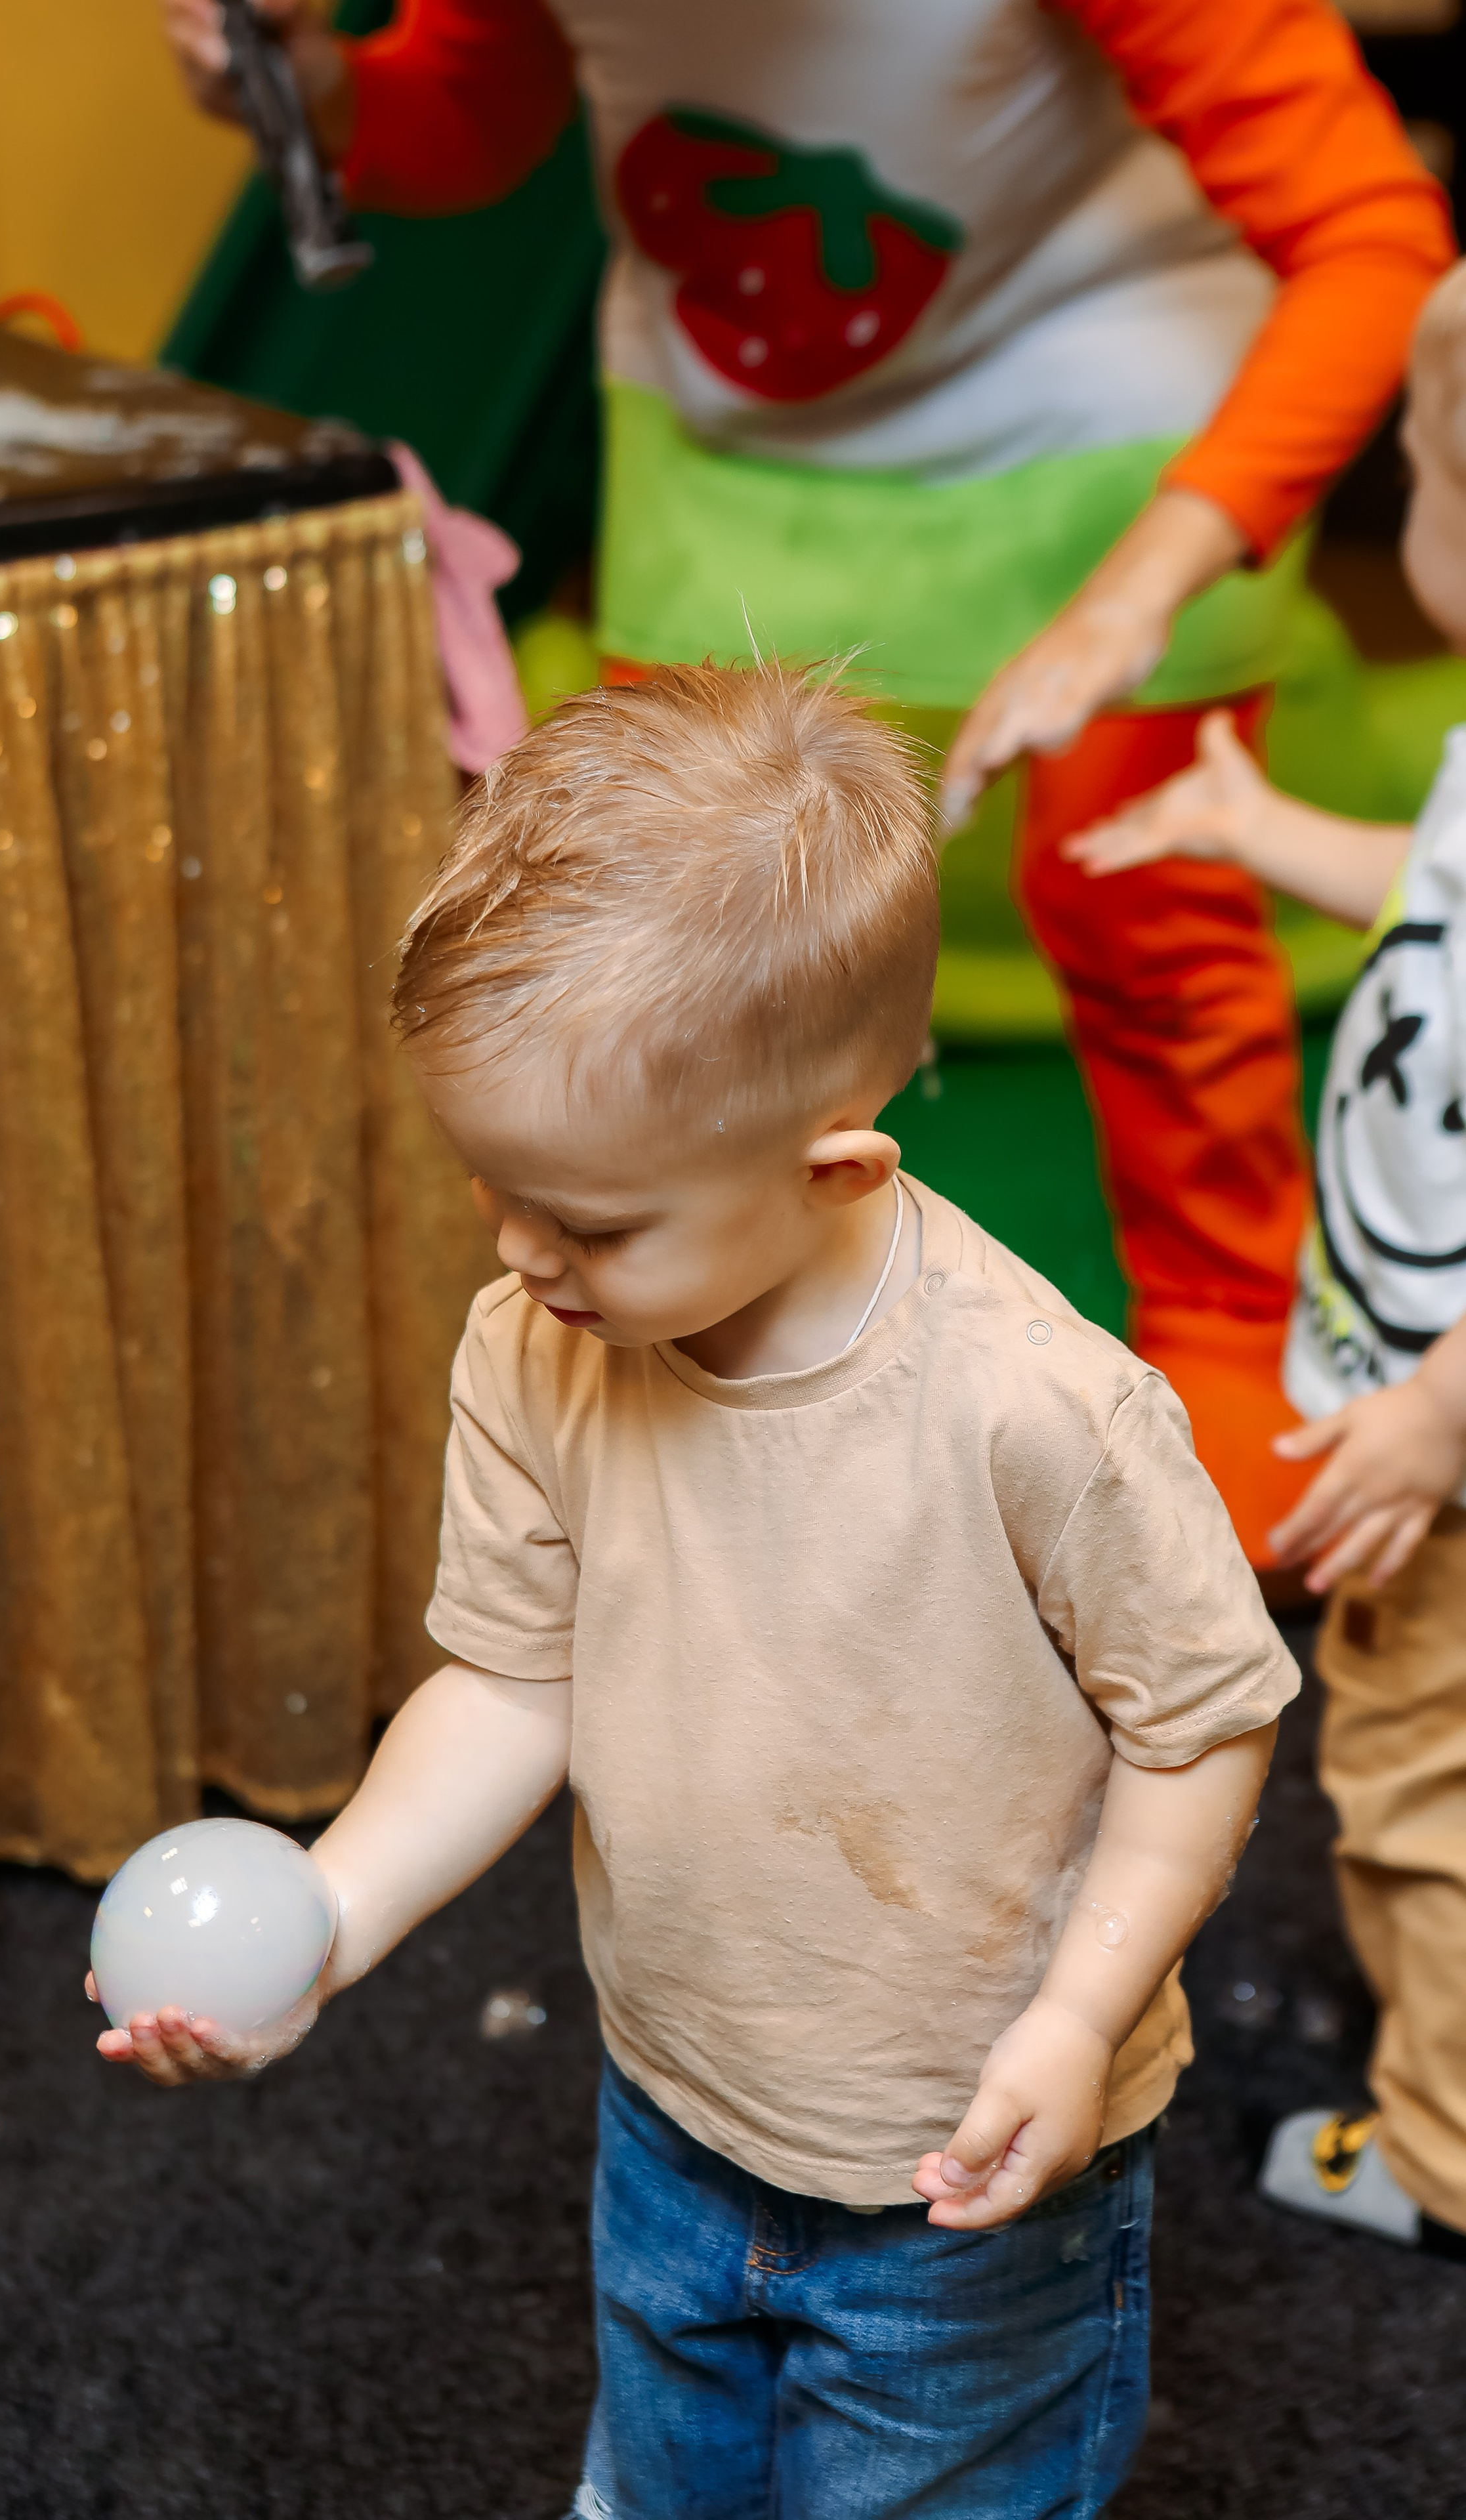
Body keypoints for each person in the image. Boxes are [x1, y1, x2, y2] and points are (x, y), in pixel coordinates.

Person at [94, 662, 1299, 2511]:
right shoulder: (536, 1347)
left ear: (834, 1169)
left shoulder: (1040, 1410)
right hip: (673, 2108)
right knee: (664, 2481)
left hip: (960, 2178)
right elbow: (510, 1683)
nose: (521, 1253)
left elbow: (1202, 1725)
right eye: (496, 1190)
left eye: (588, 1219)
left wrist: (1076, 2019)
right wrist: (328, 1918)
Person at [157, 0, 1454, 1573]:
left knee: (1131, 900)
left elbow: (1370, 234)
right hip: (733, 450)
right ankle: (713, 1352)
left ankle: (1229, 1332)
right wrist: (328, 96)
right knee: (644, 951)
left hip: (1114, 431)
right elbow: (478, 110)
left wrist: (1148, 577)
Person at [1064, 261, 1466, 2260]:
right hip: (1419, 1391)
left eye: (1425, 470)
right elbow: (1445, 899)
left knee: (1414, 1787)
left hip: (1445, 1436)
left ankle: (1447, 2150)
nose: (1399, 485)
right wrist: (1261, 819)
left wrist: (1434, 1418)